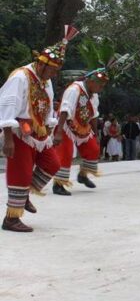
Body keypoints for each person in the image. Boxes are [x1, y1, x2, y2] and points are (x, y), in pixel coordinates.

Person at [0, 25, 78, 232]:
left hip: (39, 132)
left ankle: (23, 195)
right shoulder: (20, 77)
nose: (54, 73)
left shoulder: (45, 80)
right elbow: (6, 106)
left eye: (56, 70)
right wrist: (7, 138)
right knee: (21, 173)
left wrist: (52, 130)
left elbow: (48, 106)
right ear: (41, 63)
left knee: (52, 163)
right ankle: (11, 218)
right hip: (19, 132)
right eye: (52, 69)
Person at [52, 68, 109, 196]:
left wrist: (95, 134)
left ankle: (83, 175)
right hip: (66, 125)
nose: (101, 88)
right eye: (100, 85)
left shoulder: (94, 96)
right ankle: (58, 184)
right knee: (65, 153)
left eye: (103, 86)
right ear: (90, 82)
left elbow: (94, 115)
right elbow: (64, 110)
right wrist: (59, 132)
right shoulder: (74, 90)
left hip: (83, 126)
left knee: (93, 149)